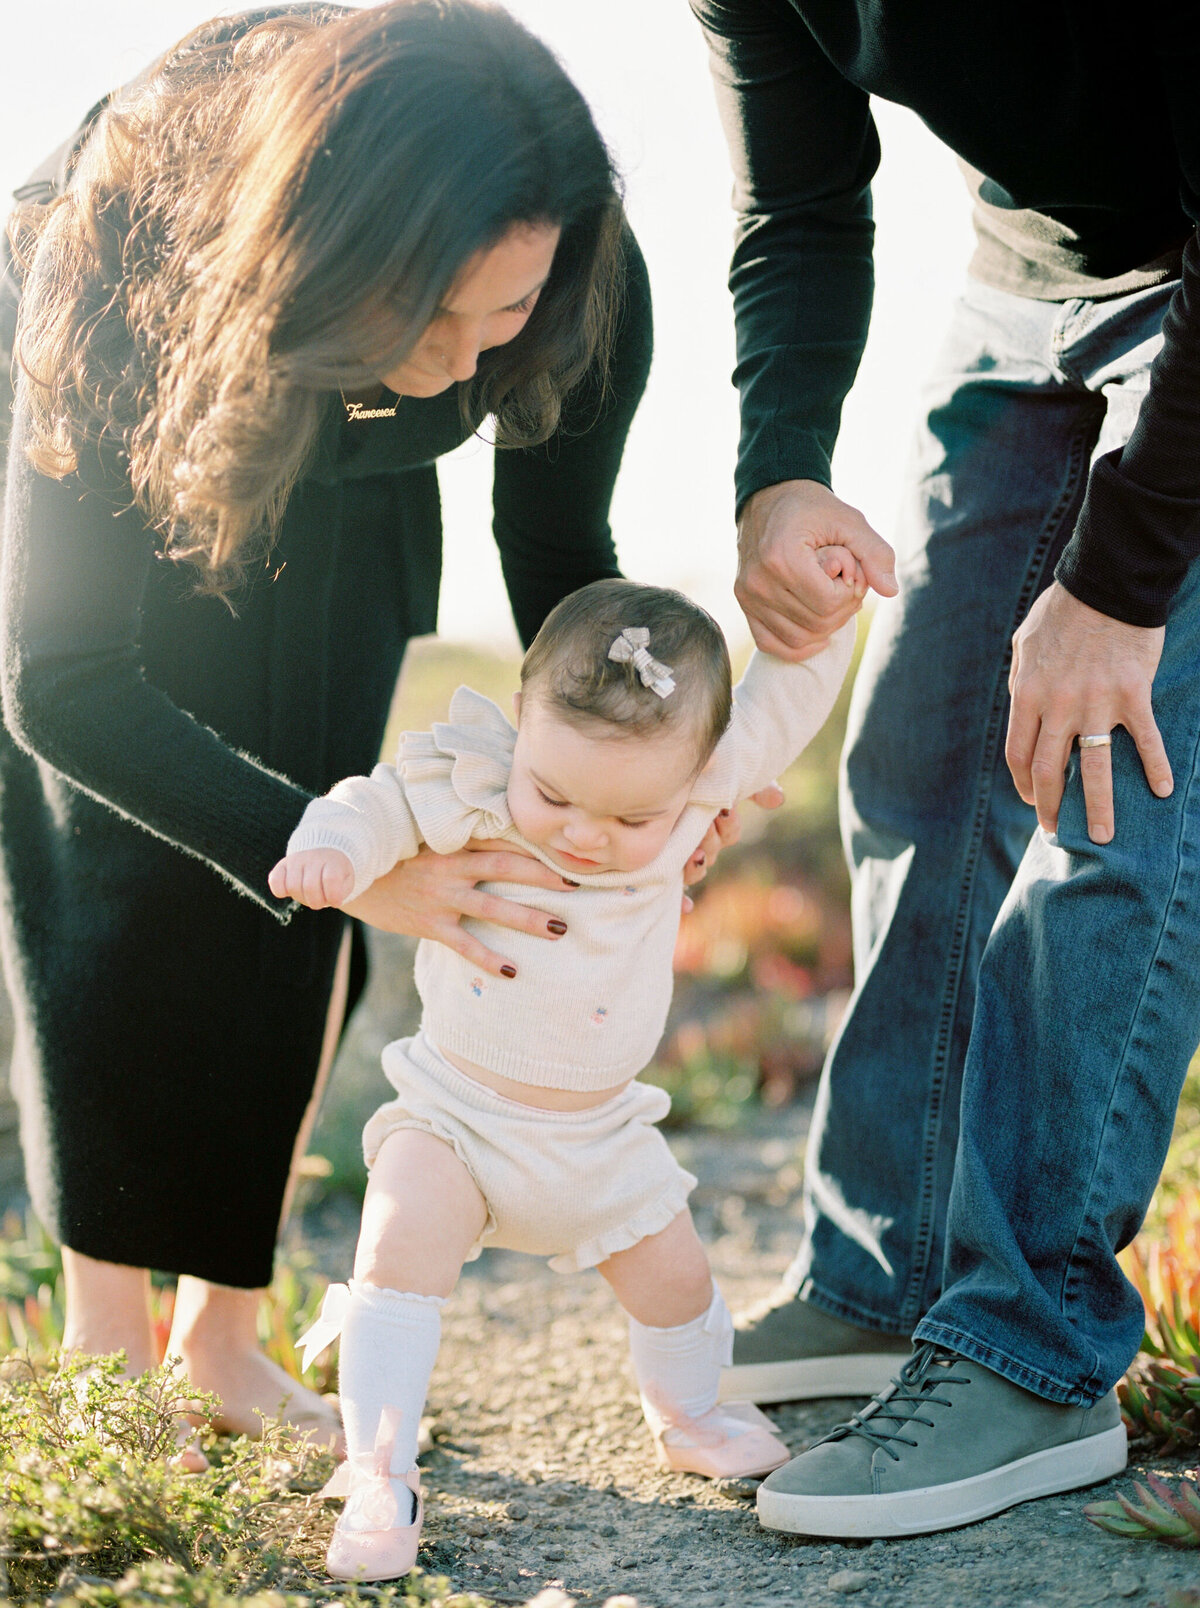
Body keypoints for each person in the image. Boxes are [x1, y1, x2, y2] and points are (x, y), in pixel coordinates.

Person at [0, 0, 656, 1448]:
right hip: (172, 383)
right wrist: (342, 858)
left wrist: (637, 771)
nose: (461, 356)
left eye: (500, 318)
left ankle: (217, 1341)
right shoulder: (105, 255)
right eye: (425, 315)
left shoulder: (574, 270)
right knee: (113, 862)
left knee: (311, 856)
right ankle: (104, 1343)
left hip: (354, 498)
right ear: (337, 255)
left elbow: (560, 561)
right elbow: (64, 683)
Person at [690, 0, 1200, 1537]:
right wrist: (775, 464)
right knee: (918, 760)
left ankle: (1032, 1353)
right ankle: (885, 1274)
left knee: (1111, 779)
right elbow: (795, 198)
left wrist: (1117, 589)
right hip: (1025, 280)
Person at [271, 576, 855, 1579]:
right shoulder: (472, 781)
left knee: (678, 1281)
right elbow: (374, 800)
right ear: (520, 727)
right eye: (554, 795)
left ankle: (691, 1412)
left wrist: (826, 615)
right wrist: (333, 845)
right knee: (397, 1249)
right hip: (455, 1116)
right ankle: (376, 1468)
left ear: (692, 778)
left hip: (601, 1139)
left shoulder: (697, 788)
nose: (584, 834)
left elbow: (788, 697)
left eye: (629, 818)